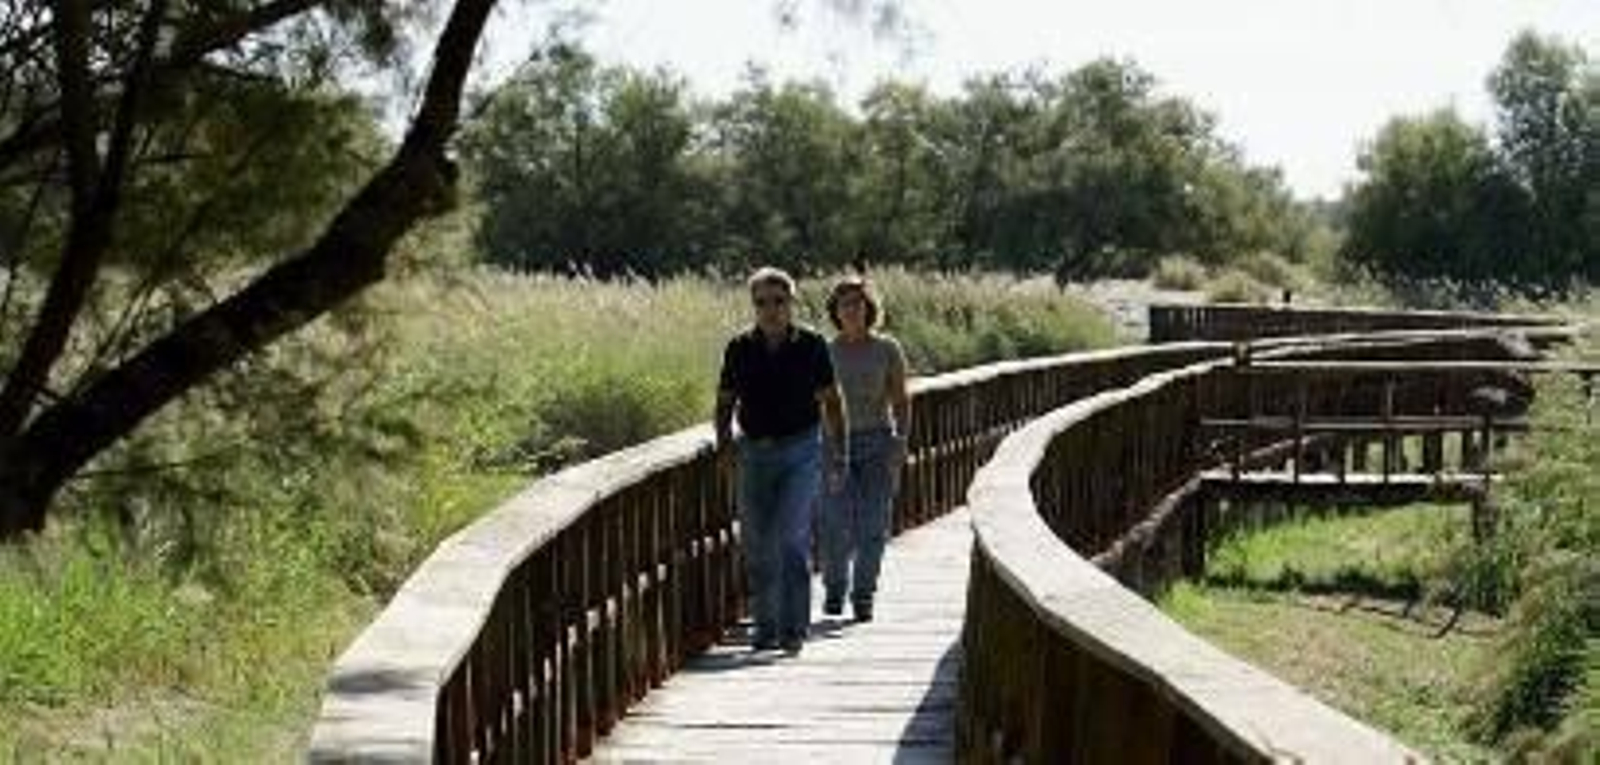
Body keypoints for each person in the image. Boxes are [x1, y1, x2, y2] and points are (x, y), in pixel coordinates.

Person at [715, 267, 845, 654]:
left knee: (791, 537)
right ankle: (765, 626)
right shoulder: (740, 347)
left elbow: (832, 403)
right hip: (754, 450)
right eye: (762, 303)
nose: (770, 310)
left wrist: (837, 453)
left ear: (791, 303)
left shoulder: (811, 345)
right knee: (756, 541)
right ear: (753, 306)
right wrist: (724, 446)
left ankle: (793, 628)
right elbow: (724, 404)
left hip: (801, 448)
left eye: (778, 301)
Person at [819, 276, 911, 623]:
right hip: (833, 444)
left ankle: (863, 595)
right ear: (835, 311)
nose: (851, 309)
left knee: (874, 525)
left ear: (869, 307)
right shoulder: (825, 351)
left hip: (877, 441)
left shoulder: (887, 349)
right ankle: (834, 587)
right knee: (834, 522)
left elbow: (902, 400)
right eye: (844, 304)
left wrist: (901, 441)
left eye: (857, 303)